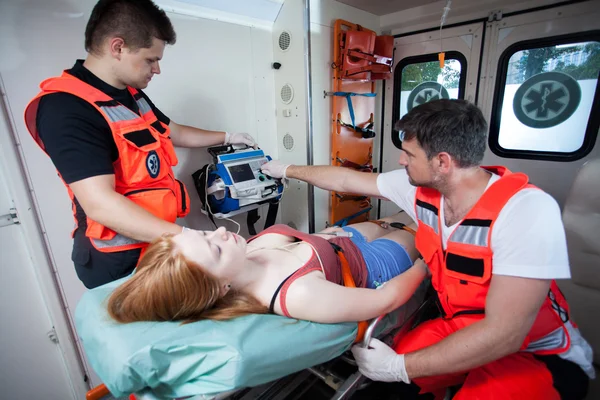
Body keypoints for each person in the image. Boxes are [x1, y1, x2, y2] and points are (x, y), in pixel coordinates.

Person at [260, 99, 594, 399]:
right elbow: (345, 181)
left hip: (532, 352)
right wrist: (287, 169)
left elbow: (504, 334)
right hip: (459, 324)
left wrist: (399, 366)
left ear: (443, 162)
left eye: (409, 154)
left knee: (403, 374)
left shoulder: (525, 211)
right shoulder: (422, 189)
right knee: (381, 391)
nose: (400, 160)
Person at [23, 0, 256, 289]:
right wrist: (186, 239)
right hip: (119, 261)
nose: (157, 69)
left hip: (158, 244)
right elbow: (100, 204)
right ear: (117, 47)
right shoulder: (67, 107)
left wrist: (227, 137)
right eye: (150, 59)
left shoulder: (130, 94)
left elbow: (173, 132)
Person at [107, 215, 428, 324]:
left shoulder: (243, 252)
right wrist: (423, 267)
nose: (220, 232)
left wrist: (330, 235)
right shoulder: (297, 293)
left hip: (341, 239)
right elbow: (384, 300)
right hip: (371, 265)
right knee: (422, 223)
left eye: (204, 233)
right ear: (220, 288)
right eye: (215, 248)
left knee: (398, 212)